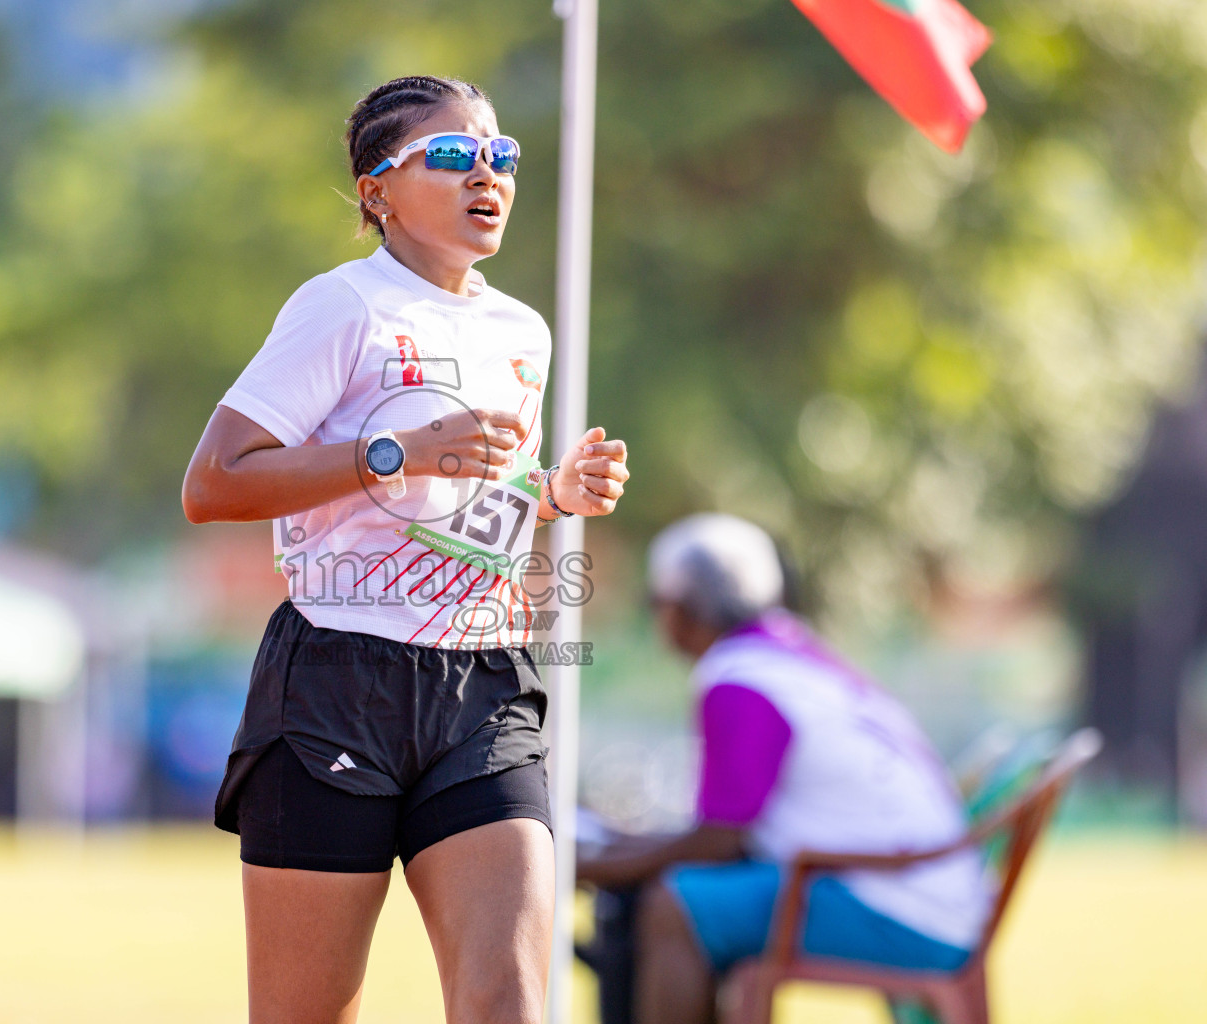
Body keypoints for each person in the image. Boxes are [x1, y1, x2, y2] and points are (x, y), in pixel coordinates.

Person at [182, 75, 630, 1024]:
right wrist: (393, 453)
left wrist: (550, 496)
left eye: (501, 156)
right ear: (378, 190)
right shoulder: (341, 306)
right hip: (335, 684)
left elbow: (468, 505)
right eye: (457, 155)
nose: (490, 176)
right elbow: (213, 483)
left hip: (483, 684)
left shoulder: (523, 332)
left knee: (509, 1001)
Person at [576, 515, 990, 1024]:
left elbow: (721, 842)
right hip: (925, 897)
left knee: (675, 908)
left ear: (681, 608)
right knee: (698, 897)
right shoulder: (790, 654)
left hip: (901, 911)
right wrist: (623, 848)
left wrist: (596, 865)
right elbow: (729, 837)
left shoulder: (738, 680)